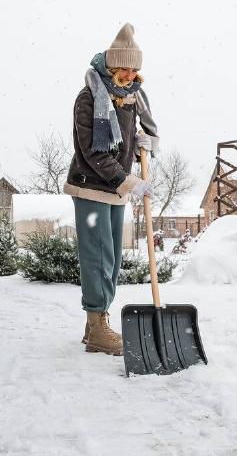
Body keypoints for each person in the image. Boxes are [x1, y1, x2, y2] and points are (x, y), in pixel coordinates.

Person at [63, 23, 159, 356]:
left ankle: (97, 324)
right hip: (91, 187)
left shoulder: (133, 97)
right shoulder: (90, 97)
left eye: (135, 69)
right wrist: (128, 181)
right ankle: (96, 327)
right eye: (125, 68)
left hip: (117, 190)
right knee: (97, 258)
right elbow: (92, 151)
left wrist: (142, 144)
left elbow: (130, 140)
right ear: (110, 66)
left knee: (114, 259)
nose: (130, 74)